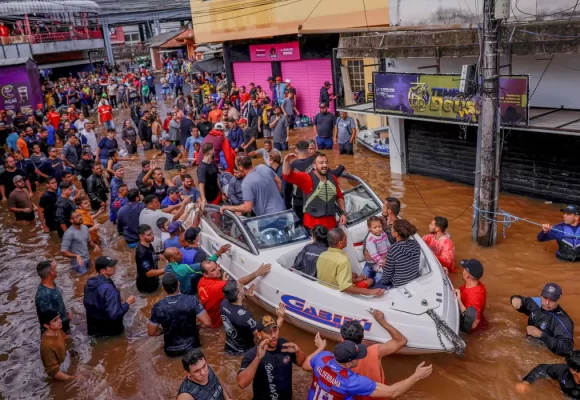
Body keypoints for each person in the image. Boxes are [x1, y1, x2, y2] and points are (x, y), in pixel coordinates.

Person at [304, 339, 432, 399]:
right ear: (348, 364)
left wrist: (320, 348)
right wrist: (417, 376)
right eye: (357, 358)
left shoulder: (322, 357)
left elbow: (305, 365)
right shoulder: (351, 382)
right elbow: (392, 392)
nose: (360, 359)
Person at [340, 310, 408, 398]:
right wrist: (381, 321)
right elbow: (401, 341)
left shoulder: (338, 358)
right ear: (363, 337)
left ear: (342, 338)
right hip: (379, 395)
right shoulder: (375, 351)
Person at [237, 315, 305, 399]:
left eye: (275, 330)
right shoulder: (252, 355)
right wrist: (258, 358)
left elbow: (301, 363)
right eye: (268, 332)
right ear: (259, 335)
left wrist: (298, 351)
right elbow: (242, 383)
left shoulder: (285, 345)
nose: (273, 335)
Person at [148, 272, 211, 357]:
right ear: (178, 283)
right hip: (192, 347)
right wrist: (196, 326)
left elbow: (151, 332)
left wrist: (165, 330)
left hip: (171, 351)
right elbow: (207, 323)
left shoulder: (158, 307)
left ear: (163, 288)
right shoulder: (191, 300)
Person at [283, 152, 347, 231]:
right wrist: (286, 161)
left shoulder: (333, 178)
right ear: (314, 166)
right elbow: (287, 176)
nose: (324, 165)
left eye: (326, 162)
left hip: (331, 224)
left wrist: (343, 214)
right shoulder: (306, 178)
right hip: (312, 226)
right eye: (321, 163)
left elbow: (339, 197)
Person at [198, 261, 272, 328]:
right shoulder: (218, 286)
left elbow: (216, 294)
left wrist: (224, 283)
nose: (217, 270)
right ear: (205, 274)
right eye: (213, 270)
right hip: (216, 324)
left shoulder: (201, 281)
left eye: (216, 266)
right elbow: (238, 283)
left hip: (204, 317)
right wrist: (257, 273)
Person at [221, 280, 286, 355]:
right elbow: (260, 335)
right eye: (241, 286)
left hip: (229, 345)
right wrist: (280, 318)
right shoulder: (245, 316)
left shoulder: (224, 303)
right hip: (243, 351)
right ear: (238, 296)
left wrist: (245, 294)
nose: (243, 285)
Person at [510, 282, 574, 356]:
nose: (547, 303)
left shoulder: (563, 321)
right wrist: (515, 299)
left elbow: (567, 348)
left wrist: (541, 335)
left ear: (559, 300)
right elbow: (522, 300)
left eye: (552, 300)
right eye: (545, 298)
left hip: (543, 353)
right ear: (541, 296)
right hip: (527, 342)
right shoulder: (537, 303)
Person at [317, 228, 384, 296]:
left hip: (327, 288)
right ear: (340, 243)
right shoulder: (343, 260)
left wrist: (357, 280)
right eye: (345, 237)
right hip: (339, 292)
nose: (347, 238)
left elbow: (333, 277)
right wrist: (372, 292)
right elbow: (345, 287)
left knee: (354, 274)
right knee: (370, 280)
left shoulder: (322, 255)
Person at [83, 256, 136, 337]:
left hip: (93, 327)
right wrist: (128, 303)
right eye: (111, 266)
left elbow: (92, 301)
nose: (114, 267)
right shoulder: (109, 289)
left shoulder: (90, 283)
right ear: (102, 271)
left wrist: (116, 297)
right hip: (110, 330)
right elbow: (115, 315)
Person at [220, 153, 285, 217]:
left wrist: (228, 207)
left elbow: (247, 208)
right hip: (283, 211)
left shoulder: (246, 182)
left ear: (240, 168)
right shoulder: (263, 167)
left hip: (269, 218)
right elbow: (279, 182)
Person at [380, 219, 421, 288]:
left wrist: (384, 266)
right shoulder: (416, 244)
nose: (391, 229)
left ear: (396, 234)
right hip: (414, 279)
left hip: (399, 284)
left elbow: (387, 276)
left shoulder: (394, 249)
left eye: (392, 228)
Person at [35, 260, 71, 334]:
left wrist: (66, 317)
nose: (56, 270)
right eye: (55, 269)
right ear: (51, 273)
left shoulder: (52, 283)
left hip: (62, 323)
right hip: (57, 330)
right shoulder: (43, 295)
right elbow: (48, 320)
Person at [39, 311, 76, 381]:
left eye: (59, 318)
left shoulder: (57, 330)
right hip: (61, 371)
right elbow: (53, 372)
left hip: (65, 360)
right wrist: (72, 378)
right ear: (46, 325)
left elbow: (65, 338)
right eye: (55, 320)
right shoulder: (47, 346)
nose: (60, 321)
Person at [454, 259, 487, 332]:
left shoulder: (473, 297)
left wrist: (459, 301)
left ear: (467, 275)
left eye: (464, 270)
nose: (462, 272)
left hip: (472, 332)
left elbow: (474, 324)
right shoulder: (478, 285)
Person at [135, 224, 165, 293]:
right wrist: (166, 269)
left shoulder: (148, 243)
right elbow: (149, 273)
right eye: (149, 235)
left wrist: (157, 257)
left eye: (152, 233)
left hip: (154, 280)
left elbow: (149, 257)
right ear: (141, 237)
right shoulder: (142, 252)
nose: (152, 236)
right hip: (147, 286)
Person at [362, 216, 390, 284]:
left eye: (379, 226)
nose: (378, 229)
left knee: (385, 273)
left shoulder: (384, 234)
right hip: (373, 263)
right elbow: (374, 255)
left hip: (384, 259)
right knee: (385, 272)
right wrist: (382, 263)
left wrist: (388, 257)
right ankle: (374, 284)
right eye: (375, 227)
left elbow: (389, 246)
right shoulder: (370, 239)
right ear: (370, 228)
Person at [197, 143, 221, 209]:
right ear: (211, 151)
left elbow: (217, 179)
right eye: (213, 149)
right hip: (209, 199)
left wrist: (221, 192)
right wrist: (203, 199)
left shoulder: (213, 164)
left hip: (217, 195)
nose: (214, 151)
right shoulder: (202, 168)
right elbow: (201, 184)